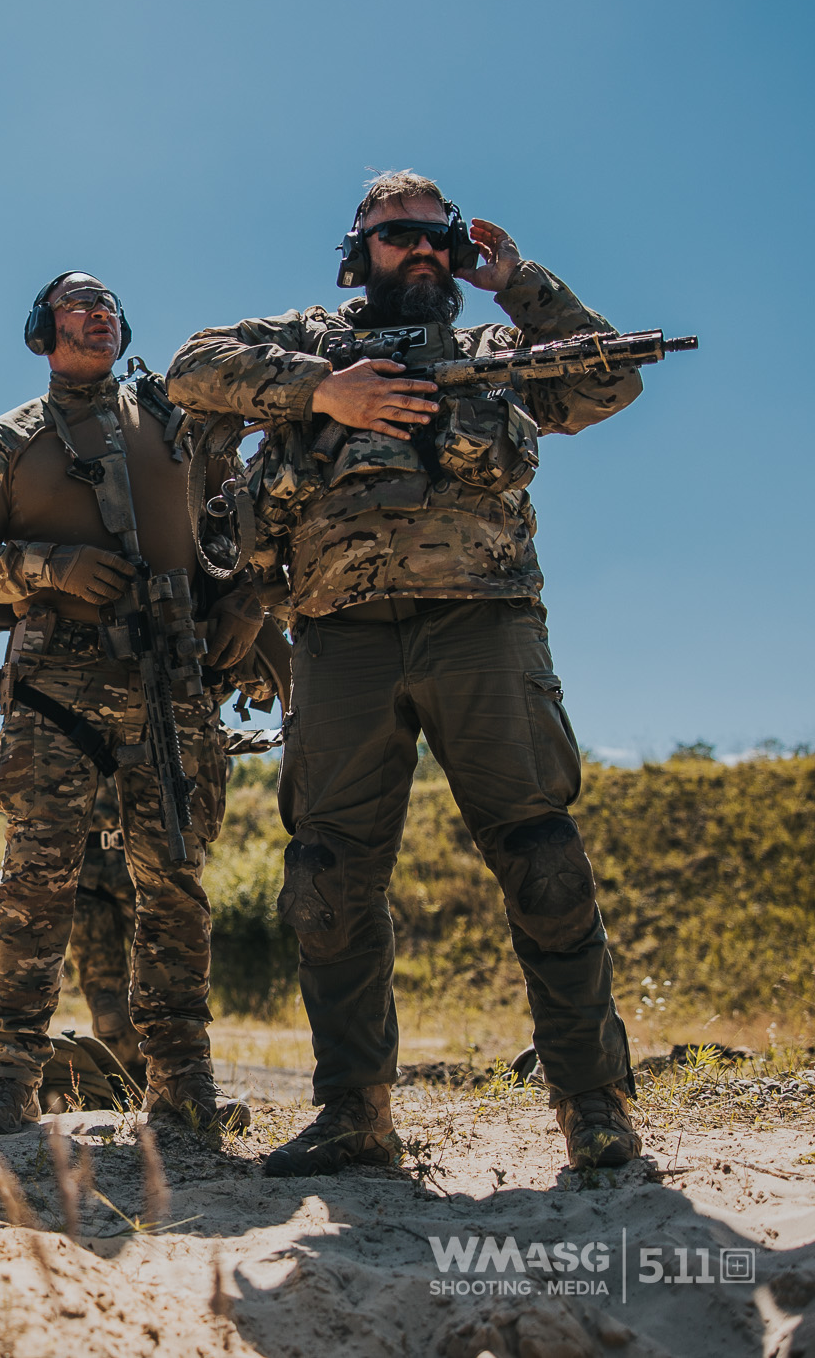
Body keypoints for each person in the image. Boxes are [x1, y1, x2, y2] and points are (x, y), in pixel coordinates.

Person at [165, 170, 647, 1174]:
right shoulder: (309, 336)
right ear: (359, 250)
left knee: (542, 861)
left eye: (437, 236)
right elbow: (188, 368)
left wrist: (517, 279)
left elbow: (608, 380)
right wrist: (320, 390)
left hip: (484, 620)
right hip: (338, 634)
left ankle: (591, 1103)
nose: (420, 250)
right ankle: (354, 1112)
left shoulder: (493, 347)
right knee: (326, 878)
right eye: (397, 236)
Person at [0, 271, 263, 1137]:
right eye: (78, 305)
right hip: (59, 683)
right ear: (42, 330)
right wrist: (51, 566)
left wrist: (245, 600)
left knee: (175, 881)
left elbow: (242, 526)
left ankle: (181, 1081)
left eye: (110, 305)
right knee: (37, 881)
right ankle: (10, 1076)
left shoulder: (180, 429)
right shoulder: (5, 441)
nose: (99, 313)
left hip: (172, 677)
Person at [64, 776, 147, 1084]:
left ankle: (177, 1075)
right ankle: (129, 1081)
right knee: (104, 998)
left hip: (150, 859)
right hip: (87, 872)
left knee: (167, 979)